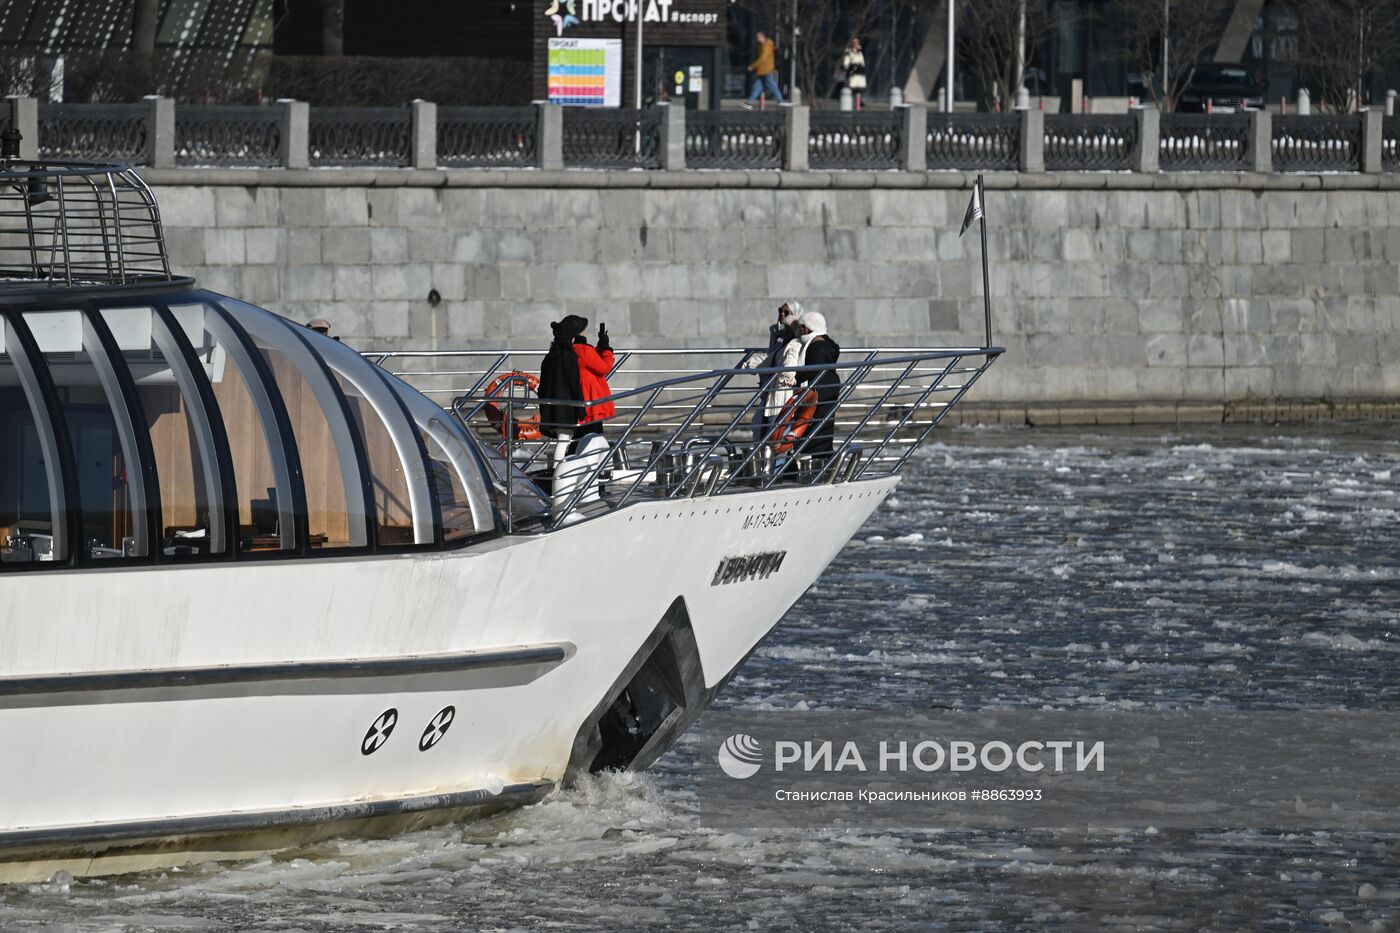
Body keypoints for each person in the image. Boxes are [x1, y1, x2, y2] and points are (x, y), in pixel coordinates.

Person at [538, 315, 616, 466]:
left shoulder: (557, 354)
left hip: (568, 405)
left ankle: (568, 472)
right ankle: (567, 475)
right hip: (588, 403)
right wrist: (606, 348)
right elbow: (604, 367)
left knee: (575, 441)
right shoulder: (582, 351)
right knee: (591, 440)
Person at [742, 302, 802, 444]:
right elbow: (772, 356)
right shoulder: (776, 333)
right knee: (760, 427)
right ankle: (765, 462)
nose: (781, 314)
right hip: (771, 389)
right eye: (780, 311)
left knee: (777, 435)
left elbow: (786, 366)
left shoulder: (794, 344)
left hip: (782, 393)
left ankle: (774, 464)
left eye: (786, 313)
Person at [792, 310, 841, 461]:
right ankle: (823, 462)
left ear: (811, 327)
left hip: (818, 391)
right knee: (824, 429)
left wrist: (794, 378)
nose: (801, 330)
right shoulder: (828, 343)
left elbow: (811, 371)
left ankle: (817, 465)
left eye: (804, 327)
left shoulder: (816, 345)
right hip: (829, 389)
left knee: (814, 430)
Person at [743, 31, 784, 108]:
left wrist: (752, 66)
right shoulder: (761, 45)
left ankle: (780, 100)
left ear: (762, 37)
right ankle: (749, 101)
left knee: (772, 85)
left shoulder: (767, 45)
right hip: (762, 70)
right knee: (757, 86)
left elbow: (762, 58)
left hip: (767, 70)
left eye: (758, 37)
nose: (757, 39)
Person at [841, 38, 867, 109]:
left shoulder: (860, 52)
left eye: (857, 42)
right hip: (853, 74)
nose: (856, 44)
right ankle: (852, 106)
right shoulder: (849, 52)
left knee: (858, 91)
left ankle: (858, 106)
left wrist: (860, 68)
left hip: (859, 75)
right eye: (854, 42)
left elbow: (862, 63)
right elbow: (846, 64)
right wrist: (848, 70)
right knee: (851, 90)